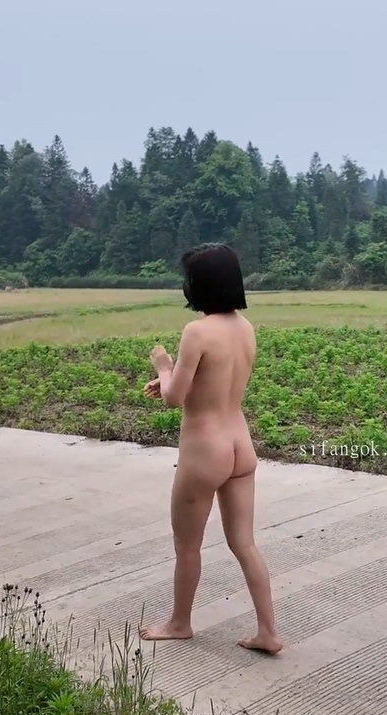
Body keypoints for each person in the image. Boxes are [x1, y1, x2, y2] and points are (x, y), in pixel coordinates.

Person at [139, 243, 283, 654]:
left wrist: (163, 366)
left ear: (199, 285)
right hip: (240, 445)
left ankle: (180, 623)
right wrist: (171, 380)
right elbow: (210, 381)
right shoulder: (245, 328)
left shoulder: (197, 331)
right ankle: (269, 632)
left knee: (187, 545)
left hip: (205, 451)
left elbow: (174, 398)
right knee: (244, 543)